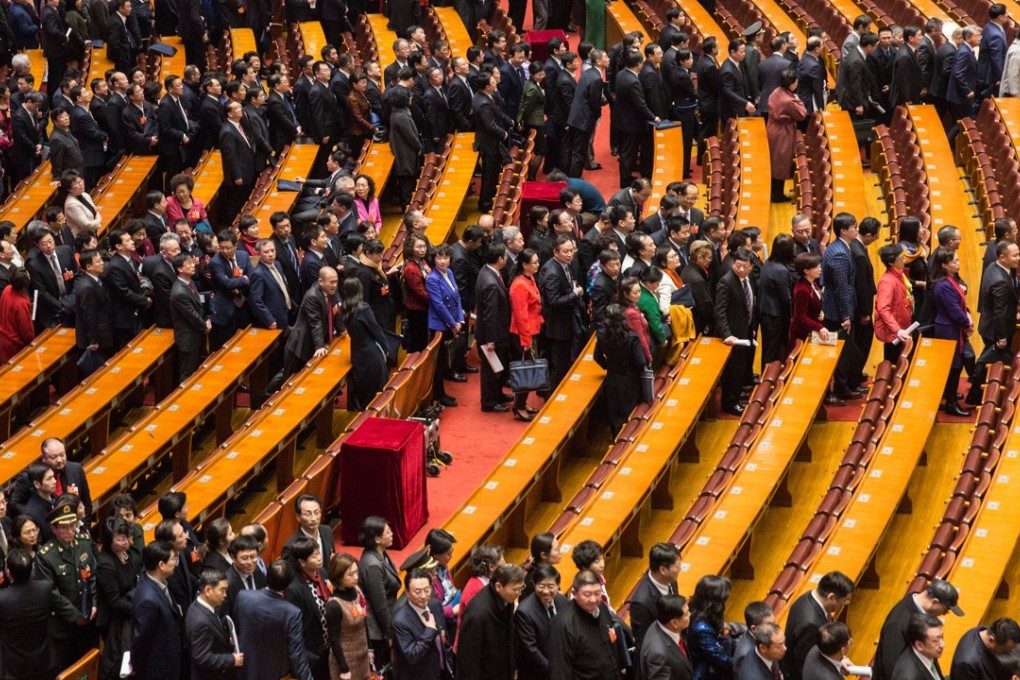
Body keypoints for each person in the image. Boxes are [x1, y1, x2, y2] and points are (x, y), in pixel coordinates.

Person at [0, 548, 79, 680]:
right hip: (44, 660)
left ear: (8, 573)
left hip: (13, 667)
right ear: (32, 570)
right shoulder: (44, 588)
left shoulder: (2, 598)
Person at [235, 560, 314, 680]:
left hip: (245, 665)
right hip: (274, 672)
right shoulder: (291, 613)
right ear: (289, 584)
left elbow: (237, 627)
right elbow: (296, 654)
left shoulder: (243, 596)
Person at [873, 579, 963, 680]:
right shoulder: (897, 625)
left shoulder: (922, 608)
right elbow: (891, 669)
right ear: (934, 602)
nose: (944, 614)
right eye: (945, 610)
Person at [547, 570, 624, 680]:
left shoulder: (601, 607)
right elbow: (560, 671)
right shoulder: (562, 624)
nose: (593, 600)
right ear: (574, 593)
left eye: (597, 593)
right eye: (587, 594)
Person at [456, 563, 527, 680]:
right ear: (499, 586)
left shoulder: (506, 598)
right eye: (515, 590)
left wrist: (512, 667)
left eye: (521, 588)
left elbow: (509, 636)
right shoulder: (477, 615)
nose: (519, 594)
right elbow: (468, 661)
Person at [970, 240, 1020, 403]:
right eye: (1015, 255)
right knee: (998, 361)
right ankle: (976, 395)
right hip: (996, 331)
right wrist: (1002, 338)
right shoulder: (1000, 281)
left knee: (988, 360)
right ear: (1002, 257)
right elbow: (1000, 312)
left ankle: (975, 395)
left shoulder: (995, 267)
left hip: (989, 326)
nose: (1018, 258)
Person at [782, 571, 854, 680]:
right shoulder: (810, 626)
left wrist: (840, 660)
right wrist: (836, 666)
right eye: (844, 601)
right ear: (831, 598)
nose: (845, 604)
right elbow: (806, 666)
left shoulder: (808, 596)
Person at [95, 517, 142, 680]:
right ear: (109, 541)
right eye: (120, 539)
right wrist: (139, 609)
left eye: (126, 538)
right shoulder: (105, 564)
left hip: (128, 614)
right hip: (113, 622)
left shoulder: (126, 554)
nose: (126, 542)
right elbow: (114, 602)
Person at [930, 247, 974, 416]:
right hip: (949, 330)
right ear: (944, 265)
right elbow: (954, 311)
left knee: (956, 365)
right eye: (954, 261)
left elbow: (961, 304)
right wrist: (967, 323)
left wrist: (967, 315)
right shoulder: (943, 286)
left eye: (958, 260)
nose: (958, 263)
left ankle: (951, 397)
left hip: (954, 328)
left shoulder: (952, 279)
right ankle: (951, 403)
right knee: (953, 367)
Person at [131, 540, 184, 680]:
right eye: (172, 559)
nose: (175, 562)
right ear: (161, 565)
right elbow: (141, 641)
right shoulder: (149, 600)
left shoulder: (155, 581)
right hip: (158, 669)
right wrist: (136, 668)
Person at [594, 303, 649, 434]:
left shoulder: (602, 334)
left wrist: (608, 366)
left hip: (613, 378)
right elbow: (641, 362)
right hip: (631, 380)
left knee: (615, 414)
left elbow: (597, 356)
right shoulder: (632, 337)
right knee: (631, 414)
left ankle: (615, 440)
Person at [283, 536, 332, 680]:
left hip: (329, 643)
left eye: (318, 553)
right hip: (312, 649)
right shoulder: (293, 588)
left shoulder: (322, 572)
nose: (319, 557)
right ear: (302, 562)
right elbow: (295, 627)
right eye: (314, 556)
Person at [715, 250, 757, 415]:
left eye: (745, 266)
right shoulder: (726, 282)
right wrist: (727, 335)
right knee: (734, 370)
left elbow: (750, 303)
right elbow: (720, 311)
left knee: (742, 367)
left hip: (745, 330)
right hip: (733, 334)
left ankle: (736, 398)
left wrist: (751, 327)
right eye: (738, 265)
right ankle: (730, 403)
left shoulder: (749, 278)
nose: (740, 269)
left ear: (751, 267)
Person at [186, 567, 245, 680]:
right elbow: (202, 657)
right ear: (208, 590)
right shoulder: (201, 622)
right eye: (222, 590)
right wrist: (232, 660)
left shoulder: (198, 604)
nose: (225, 595)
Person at [340, 277, 390, 409]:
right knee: (377, 393)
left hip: (357, 353)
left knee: (363, 390)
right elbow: (376, 330)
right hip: (371, 354)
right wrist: (386, 348)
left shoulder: (343, 308)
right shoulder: (363, 309)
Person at [392, 567, 450, 680]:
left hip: (441, 672)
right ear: (407, 592)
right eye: (417, 592)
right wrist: (430, 631)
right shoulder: (400, 620)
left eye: (427, 590)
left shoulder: (435, 605)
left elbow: (444, 639)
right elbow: (412, 655)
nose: (423, 596)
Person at [515, 563, 569, 680]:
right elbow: (531, 649)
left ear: (558, 585)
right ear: (534, 585)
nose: (545, 591)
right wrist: (554, 670)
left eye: (550, 586)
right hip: (537, 672)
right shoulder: (524, 611)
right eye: (541, 586)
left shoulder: (562, 601)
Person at [359, 516, 400, 667]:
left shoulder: (380, 553)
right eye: (388, 532)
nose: (392, 534)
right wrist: (389, 633)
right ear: (377, 539)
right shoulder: (372, 565)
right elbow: (379, 604)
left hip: (386, 621)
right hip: (378, 630)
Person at [509, 248, 544, 421]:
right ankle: (518, 406)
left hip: (533, 329)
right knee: (527, 371)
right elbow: (521, 316)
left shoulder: (529, 279)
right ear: (524, 265)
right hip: (524, 334)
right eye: (534, 262)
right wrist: (526, 340)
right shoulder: (519, 285)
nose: (538, 265)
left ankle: (522, 402)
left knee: (530, 368)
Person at [325, 553, 371, 680]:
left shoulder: (357, 590)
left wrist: (370, 649)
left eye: (356, 572)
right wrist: (344, 667)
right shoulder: (334, 605)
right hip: (345, 660)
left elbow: (364, 621)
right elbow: (333, 638)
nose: (356, 577)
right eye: (351, 575)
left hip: (362, 655)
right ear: (339, 577)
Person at [628, 542, 680, 653]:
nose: (680, 569)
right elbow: (645, 645)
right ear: (663, 570)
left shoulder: (671, 581)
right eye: (677, 566)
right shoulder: (641, 603)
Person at [766, 69, 806, 202]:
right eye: (796, 81)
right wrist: (797, 99)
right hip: (783, 133)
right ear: (791, 84)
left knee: (775, 161)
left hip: (773, 128)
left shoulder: (777, 91)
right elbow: (802, 114)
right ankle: (777, 195)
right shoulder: (789, 100)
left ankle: (773, 192)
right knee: (780, 163)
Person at [170, 253, 211, 382]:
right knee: (187, 374)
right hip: (188, 337)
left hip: (195, 333)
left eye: (192, 263)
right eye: (189, 263)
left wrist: (207, 318)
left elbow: (198, 304)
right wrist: (204, 325)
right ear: (180, 269)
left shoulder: (189, 282)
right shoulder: (179, 292)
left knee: (195, 370)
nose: (193, 265)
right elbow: (191, 315)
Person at [687, 574, 735, 679]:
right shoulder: (701, 628)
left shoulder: (700, 608)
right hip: (705, 672)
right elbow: (722, 660)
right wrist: (741, 661)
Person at [874, 244, 915, 363]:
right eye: (901, 258)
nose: (905, 259)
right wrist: (897, 329)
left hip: (903, 325)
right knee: (893, 362)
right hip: (894, 331)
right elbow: (883, 308)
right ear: (891, 263)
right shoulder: (887, 281)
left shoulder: (900, 274)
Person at [640, 594, 693, 680]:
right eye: (686, 614)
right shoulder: (658, 655)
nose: (690, 615)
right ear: (674, 623)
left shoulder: (661, 623)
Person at [950, 618, 1020, 679]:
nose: (1008, 653)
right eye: (1004, 650)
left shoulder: (992, 632)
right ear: (991, 640)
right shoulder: (967, 664)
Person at [390, 87, 422, 209]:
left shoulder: (398, 112)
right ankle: (407, 207)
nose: (411, 98)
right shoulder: (401, 116)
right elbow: (410, 136)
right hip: (405, 153)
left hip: (405, 151)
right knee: (407, 182)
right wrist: (419, 146)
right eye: (409, 97)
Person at [789, 252, 829, 345]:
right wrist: (819, 327)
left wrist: (820, 311)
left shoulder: (811, 283)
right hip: (802, 335)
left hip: (810, 330)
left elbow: (812, 304)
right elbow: (800, 317)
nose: (820, 269)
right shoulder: (802, 289)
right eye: (816, 267)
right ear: (806, 271)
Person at [891, 614, 946, 680]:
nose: (942, 644)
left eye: (941, 637)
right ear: (919, 645)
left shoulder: (928, 652)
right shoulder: (907, 677)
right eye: (936, 641)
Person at [0, 266, 33, 362]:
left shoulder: (7, 289)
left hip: (3, 337)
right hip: (14, 344)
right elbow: (26, 330)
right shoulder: (21, 303)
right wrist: (30, 342)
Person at [733, 602, 776, 673]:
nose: (775, 628)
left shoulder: (767, 634)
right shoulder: (745, 656)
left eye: (774, 622)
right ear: (754, 629)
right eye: (769, 626)